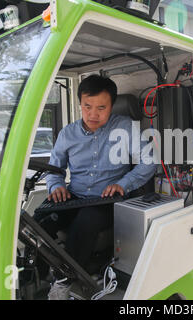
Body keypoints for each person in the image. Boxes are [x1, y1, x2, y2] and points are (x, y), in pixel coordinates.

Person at [36, 74, 157, 299]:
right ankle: (38, 276)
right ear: (80, 104)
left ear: (112, 106)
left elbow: (149, 161)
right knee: (38, 221)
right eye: (87, 106)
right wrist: (56, 186)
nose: (93, 114)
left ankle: (63, 282)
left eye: (101, 107)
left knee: (86, 220)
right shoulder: (67, 133)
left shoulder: (125, 127)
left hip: (107, 199)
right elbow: (55, 168)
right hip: (74, 195)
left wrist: (123, 183)